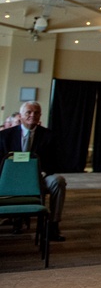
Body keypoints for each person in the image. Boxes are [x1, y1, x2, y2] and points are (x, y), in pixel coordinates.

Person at [0, 101, 68, 241]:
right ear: (21, 115)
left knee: (58, 181)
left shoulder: (49, 136)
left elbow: (56, 161)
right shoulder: (5, 135)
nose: (33, 115)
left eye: (36, 113)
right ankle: (14, 217)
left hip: (39, 176)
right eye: (29, 112)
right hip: (11, 178)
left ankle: (53, 225)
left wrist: (43, 172)